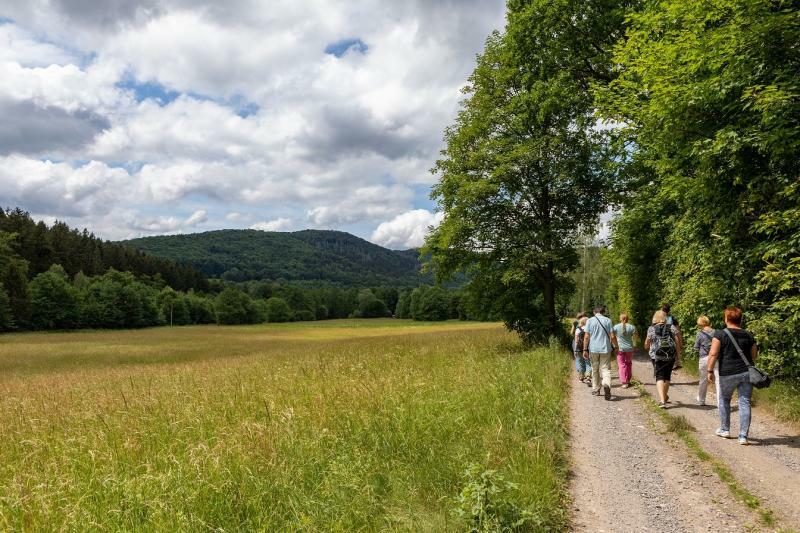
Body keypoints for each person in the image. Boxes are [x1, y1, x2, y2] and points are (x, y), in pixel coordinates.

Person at [707, 306, 758, 445]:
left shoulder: (720, 334)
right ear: (740, 319)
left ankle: (725, 429)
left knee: (724, 400)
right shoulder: (748, 334)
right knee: (745, 402)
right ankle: (743, 436)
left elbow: (713, 353)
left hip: (727, 373)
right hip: (746, 373)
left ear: (726, 318)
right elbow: (754, 356)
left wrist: (709, 371)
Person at [644, 310, 682, 408]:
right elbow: (677, 341)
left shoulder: (651, 328)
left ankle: (662, 401)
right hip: (670, 355)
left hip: (656, 355)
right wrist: (678, 357)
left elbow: (647, 344)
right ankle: (664, 396)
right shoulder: (671, 327)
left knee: (659, 376)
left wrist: (647, 346)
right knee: (667, 376)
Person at [583, 305, 617, 400]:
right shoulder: (608, 320)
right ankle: (606, 383)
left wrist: (585, 349)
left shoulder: (589, 321)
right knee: (605, 369)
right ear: (603, 312)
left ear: (594, 312)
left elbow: (586, 336)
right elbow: (613, 336)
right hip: (605, 348)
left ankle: (596, 389)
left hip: (593, 349)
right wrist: (616, 347)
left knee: (595, 369)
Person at [693, 316, 716, 405]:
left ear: (700, 324)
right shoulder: (716, 332)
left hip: (704, 358)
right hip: (716, 358)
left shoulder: (700, 334)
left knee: (703, 380)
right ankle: (720, 403)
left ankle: (701, 400)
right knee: (717, 380)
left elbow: (696, 348)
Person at [613, 314, 636, 388]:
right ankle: (628, 380)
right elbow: (635, 338)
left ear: (620, 319)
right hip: (629, 348)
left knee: (621, 364)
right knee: (629, 363)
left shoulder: (616, 327)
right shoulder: (632, 327)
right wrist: (634, 346)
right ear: (628, 319)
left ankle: (624, 382)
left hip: (620, 348)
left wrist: (614, 346)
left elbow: (612, 336)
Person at [662, 303, 683, 369]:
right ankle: (678, 361)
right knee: (676, 343)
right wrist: (681, 343)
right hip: (671, 337)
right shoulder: (672, 318)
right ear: (669, 310)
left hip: (662, 337)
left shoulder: (658, 318)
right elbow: (678, 331)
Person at [573, 316, 592, 383]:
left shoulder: (578, 329)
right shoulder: (590, 329)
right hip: (587, 348)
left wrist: (575, 349)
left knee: (581, 363)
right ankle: (588, 377)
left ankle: (581, 377)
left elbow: (576, 341)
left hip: (579, 348)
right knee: (588, 363)